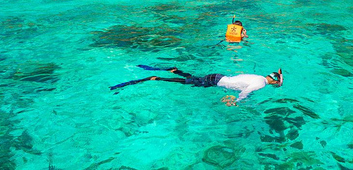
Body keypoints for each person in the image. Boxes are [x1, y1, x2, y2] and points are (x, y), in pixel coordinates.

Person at [111, 66, 283, 106]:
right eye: (278, 83)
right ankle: (155, 78)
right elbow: (247, 91)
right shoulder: (261, 84)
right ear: (274, 81)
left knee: (193, 80)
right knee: (188, 83)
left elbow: (244, 83)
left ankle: (174, 69)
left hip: (218, 77)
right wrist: (237, 102)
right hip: (215, 81)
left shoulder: (260, 76)